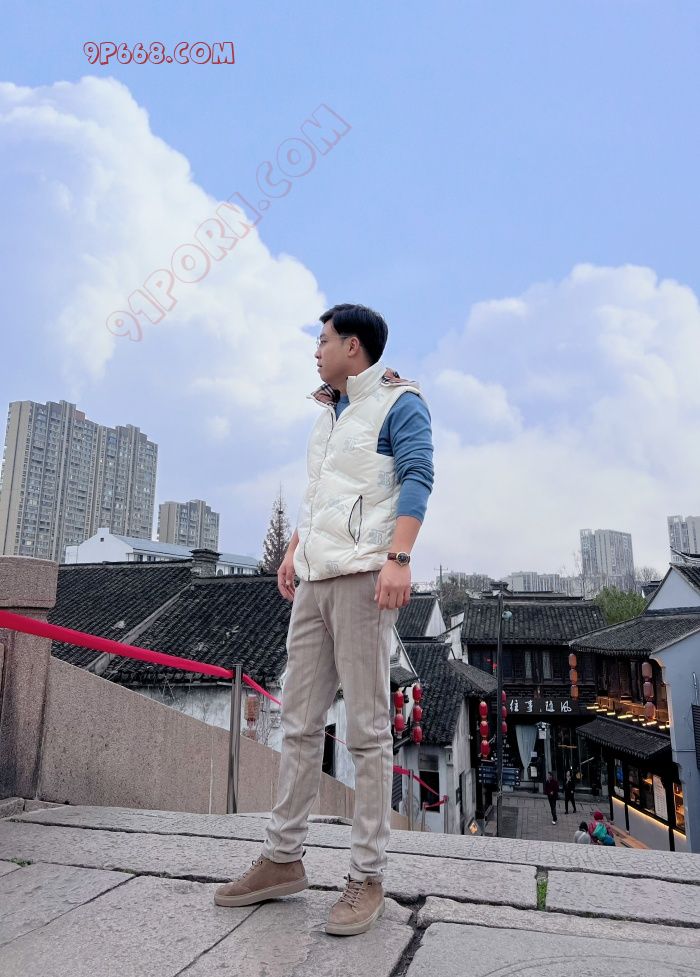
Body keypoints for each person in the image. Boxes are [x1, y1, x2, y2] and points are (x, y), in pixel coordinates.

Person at [214, 304, 434, 936]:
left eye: (324, 340)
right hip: (314, 579)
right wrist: (294, 549)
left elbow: (418, 477)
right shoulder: (328, 413)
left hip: (365, 577)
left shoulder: (399, 403)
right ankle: (282, 858)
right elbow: (321, 498)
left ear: (353, 347)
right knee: (299, 721)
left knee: (366, 730)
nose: (316, 350)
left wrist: (399, 558)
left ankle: (367, 876)